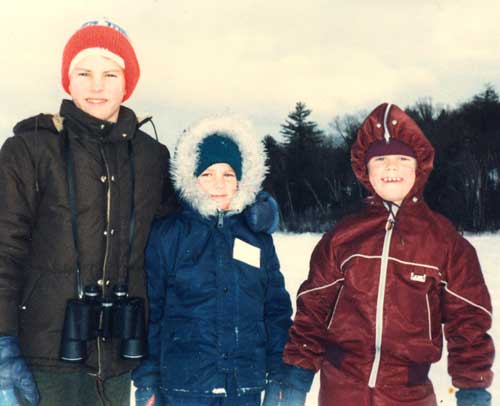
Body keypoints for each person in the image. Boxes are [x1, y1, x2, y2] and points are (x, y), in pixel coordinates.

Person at [0, 20, 278, 406]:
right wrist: (3, 344)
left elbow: (196, 210)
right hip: (44, 354)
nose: (97, 85)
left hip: (119, 355)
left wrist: (253, 207)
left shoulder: (150, 156)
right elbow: (4, 250)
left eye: (110, 73)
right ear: (68, 78)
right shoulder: (29, 149)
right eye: (85, 73)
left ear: (126, 82)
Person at [280, 103, 494, 406]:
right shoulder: (343, 237)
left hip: (409, 394)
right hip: (341, 390)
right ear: (365, 170)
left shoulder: (446, 243)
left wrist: (473, 391)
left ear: (418, 167)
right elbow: (312, 311)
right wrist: (295, 380)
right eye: (380, 159)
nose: (391, 168)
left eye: (401, 159)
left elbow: (468, 323)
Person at [131, 116, 293, 406]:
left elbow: (276, 310)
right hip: (183, 387)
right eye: (207, 174)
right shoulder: (168, 235)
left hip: (243, 388)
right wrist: (147, 379)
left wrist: (278, 375)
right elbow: (151, 312)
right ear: (191, 178)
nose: (218, 184)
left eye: (228, 174)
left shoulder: (258, 238)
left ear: (242, 180)